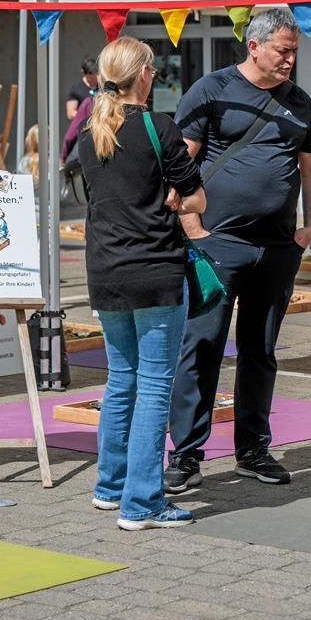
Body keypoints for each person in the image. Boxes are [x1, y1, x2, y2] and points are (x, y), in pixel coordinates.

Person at [164, 8, 311, 493]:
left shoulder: (300, 102)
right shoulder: (212, 90)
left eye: (294, 51)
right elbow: (180, 162)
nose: (290, 60)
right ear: (253, 46)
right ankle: (187, 456)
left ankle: (252, 449)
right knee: (202, 347)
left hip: (277, 247)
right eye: (283, 50)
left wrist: (309, 228)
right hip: (218, 244)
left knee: (261, 350)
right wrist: (191, 226)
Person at [77, 36, 206, 530]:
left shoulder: (91, 134)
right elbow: (198, 199)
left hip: (105, 271)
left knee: (120, 380)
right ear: (144, 74)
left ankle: (110, 488)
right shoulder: (159, 126)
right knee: (154, 386)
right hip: (155, 270)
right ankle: (143, 502)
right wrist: (175, 202)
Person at [65, 55, 99, 122]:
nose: (94, 80)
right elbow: (70, 114)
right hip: (83, 127)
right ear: (83, 73)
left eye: (96, 76)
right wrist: (88, 116)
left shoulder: (101, 86)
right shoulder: (77, 89)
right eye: (91, 77)